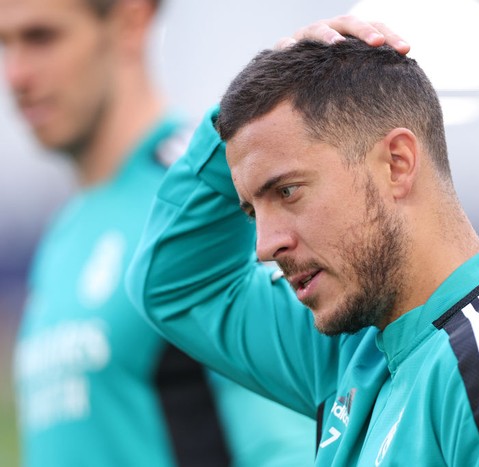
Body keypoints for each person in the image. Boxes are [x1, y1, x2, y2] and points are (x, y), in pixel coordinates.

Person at [126, 37, 479, 465]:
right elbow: (174, 286)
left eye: (287, 191)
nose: (265, 245)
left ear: (396, 163)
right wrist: (251, 111)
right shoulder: (355, 350)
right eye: (251, 212)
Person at [0, 1, 390, 465]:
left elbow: (289, 446)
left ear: (130, 20)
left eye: (42, 38)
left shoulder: (220, 205)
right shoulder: (64, 234)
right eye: (5, 43)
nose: (16, 75)